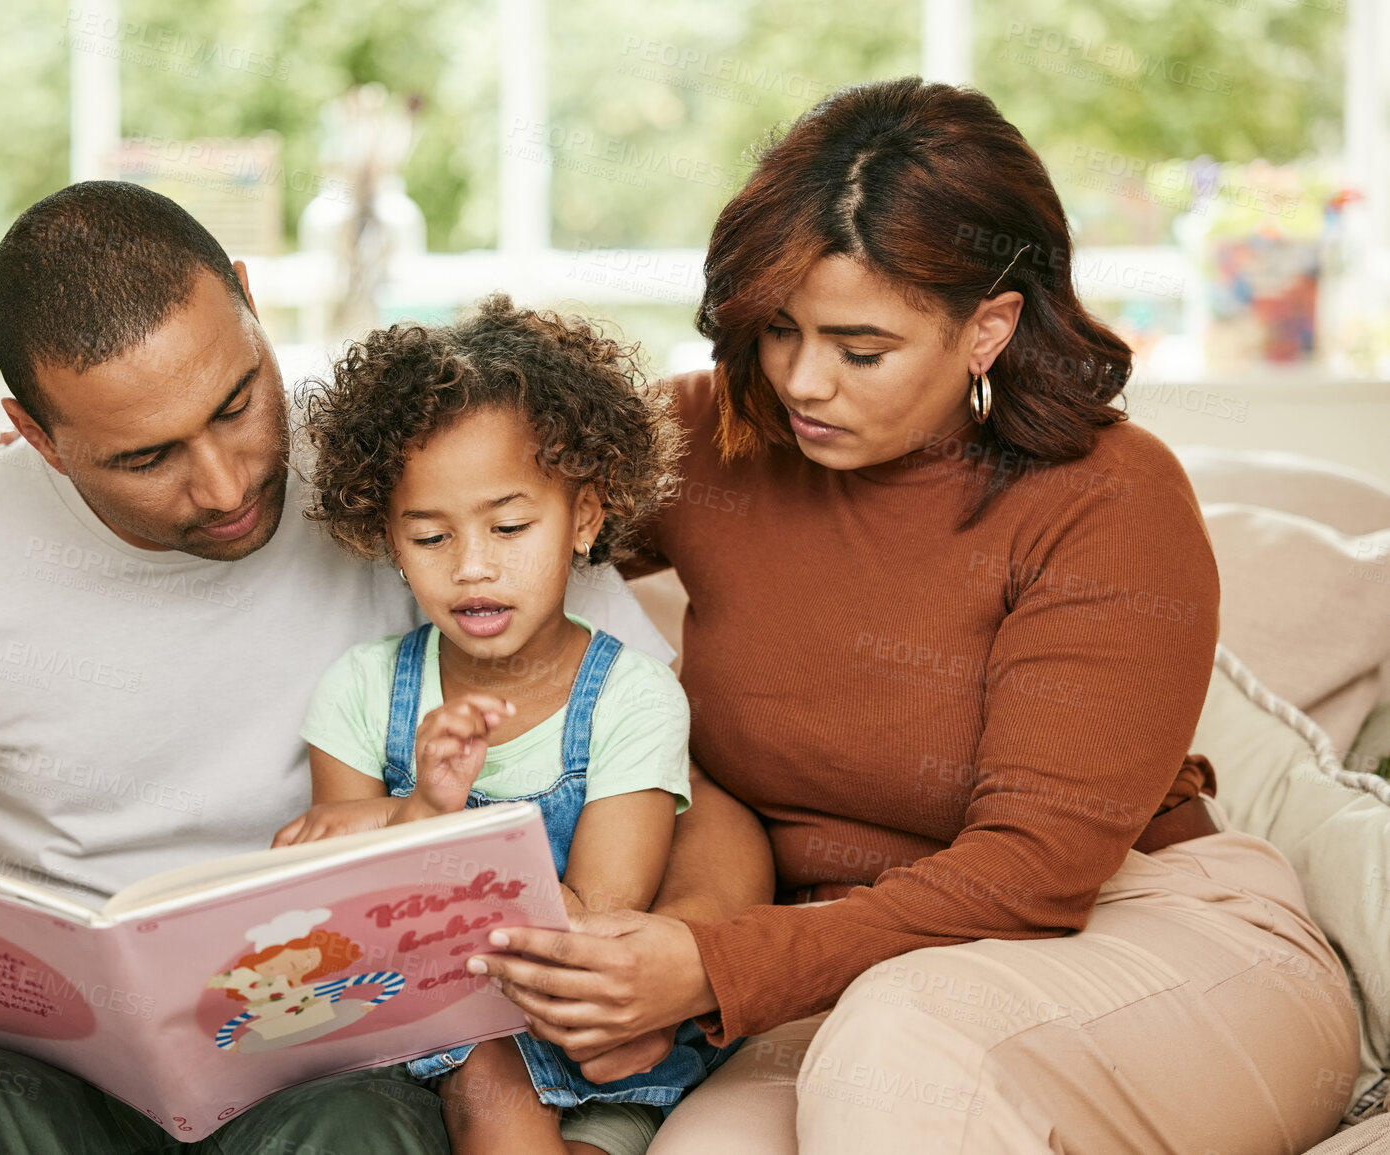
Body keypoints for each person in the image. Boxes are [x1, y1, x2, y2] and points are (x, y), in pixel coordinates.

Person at [466, 78, 1359, 1153]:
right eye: (777, 329)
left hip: (1154, 939)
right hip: (842, 976)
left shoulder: (1111, 498)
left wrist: (713, 967)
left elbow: (1033, 876)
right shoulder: (716, 437)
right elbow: (478, 511)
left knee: (900, 1055)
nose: (802, 382)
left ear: (988, 328)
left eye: (860, 349)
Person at [0, 181, 707, 1155]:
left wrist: (683, 956)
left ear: (249, 300)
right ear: (38, 436)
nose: (227, 482)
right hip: (48, 1062)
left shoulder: (419, 467)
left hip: (337, 1046)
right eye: (146, 458)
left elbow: (680, 786)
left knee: (353, 1129)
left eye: (239, 403)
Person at [275, 297, 731, 1154]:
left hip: (589, 1043)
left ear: (585, 518)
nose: (473, 565)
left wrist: (451, 834)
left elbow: (591, 919)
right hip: (420, 1041)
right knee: (483, 1075)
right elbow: (335, 894)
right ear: (388, 538)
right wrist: (418, 812)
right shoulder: (361, 690)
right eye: (429, 535)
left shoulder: (632, 698)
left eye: (510, 525)